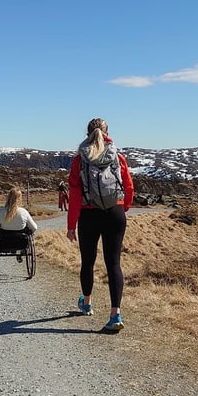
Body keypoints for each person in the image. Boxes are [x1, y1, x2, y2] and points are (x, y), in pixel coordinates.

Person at [66, 118, 134, 332]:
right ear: (107, 133)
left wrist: (71, 225)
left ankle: (86, 303)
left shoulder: (79, 160)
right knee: (113, 264)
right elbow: (129, 186)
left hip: (89, 215)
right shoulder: (118, 156)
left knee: (88, 261)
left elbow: (75, 195)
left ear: (87, 133)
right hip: (114, 212)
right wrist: (123, 207)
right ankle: (115, 315)